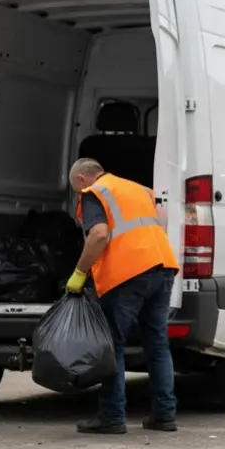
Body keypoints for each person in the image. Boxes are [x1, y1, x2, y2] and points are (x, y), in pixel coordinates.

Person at [65, 158, 180, 435]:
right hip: (162, 266)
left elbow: (99, 235)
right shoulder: (137, 189)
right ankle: (165, 416)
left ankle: (112, 416)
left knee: (112, 345)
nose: (77, 195)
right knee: (157, 344)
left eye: (75, 190)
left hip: (129, 273)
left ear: (81, 180)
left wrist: (79, 273)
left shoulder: (94, 193)